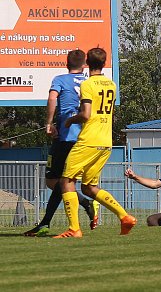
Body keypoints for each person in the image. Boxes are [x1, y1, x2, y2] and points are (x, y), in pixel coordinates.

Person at [54, 47, 136, 238]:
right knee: (89, 187)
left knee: (66, 181)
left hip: (88, 140)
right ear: (105, 63)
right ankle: (124, 217)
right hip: (105, 141)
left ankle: (74, 229)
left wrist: (70, 120)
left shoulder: (87, 84)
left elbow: (86, 114)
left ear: (86, 64)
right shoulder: (111, 84)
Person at [24, 50, 98, 237]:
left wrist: (49, 123)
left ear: (67, 64)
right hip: (86, 137)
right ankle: (85, 203)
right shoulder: (89, 82)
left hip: (66, 137)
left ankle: (46, 223)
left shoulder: (60, 79)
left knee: (56, 181)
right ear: (84, 66)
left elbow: (52, 98)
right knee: (61, 182)